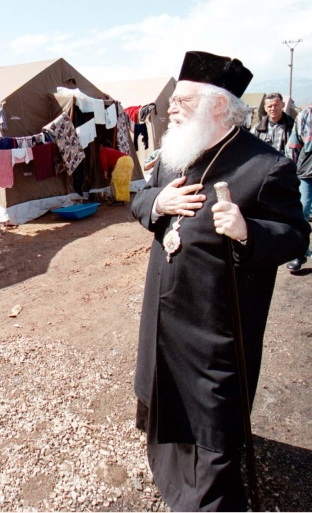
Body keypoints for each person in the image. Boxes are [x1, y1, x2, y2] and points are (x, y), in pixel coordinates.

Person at [131, 51, 310, 511]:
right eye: (173, 100)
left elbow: (295, 234)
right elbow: (140, 200)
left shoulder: (266, 166)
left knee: (210, 414)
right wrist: (158, 203)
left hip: (215, 327)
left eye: (182, 101)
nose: (171, 107)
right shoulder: (175, 153)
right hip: (164, 313)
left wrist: (249, 231)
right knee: (166, 398)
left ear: (217, 104)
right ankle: (170, 477)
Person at [285, 104, 312, 272]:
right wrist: (291, 172)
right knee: (301, 213)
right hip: (306, 173)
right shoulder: (305, 115)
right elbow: (294, 145)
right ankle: (298, 253)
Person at [98, 140, 132, 206]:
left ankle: (118, 200)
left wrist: (105, 171)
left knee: (115, 182)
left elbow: (104, 160)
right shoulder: (111, 150)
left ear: (101, 145)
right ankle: (122, 199)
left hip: (122, 162)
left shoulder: (103, 150)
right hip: (129, 160)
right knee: (123, 182)